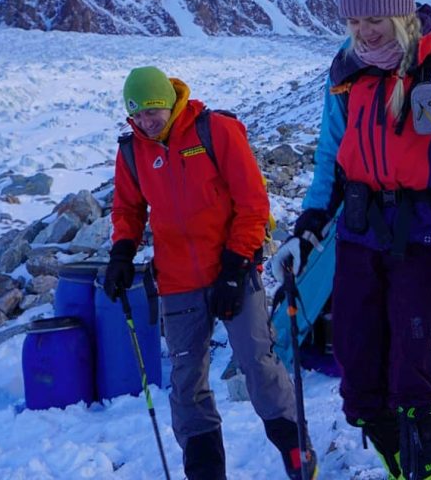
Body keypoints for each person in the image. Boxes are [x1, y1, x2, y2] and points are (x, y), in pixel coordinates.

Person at [272, 0, 431, 480]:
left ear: (399, 12)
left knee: (419, 385)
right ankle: (403, 469)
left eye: (375, 18)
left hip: (425, 239)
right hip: (359, 236)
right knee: (362, 385)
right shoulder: (346, 72)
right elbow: (330, 158)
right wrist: (306, 230)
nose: (366, 31)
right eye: (354, 20)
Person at [105, 66, 317, 480]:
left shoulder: (214, 131)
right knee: (186, 382)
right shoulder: (133, 151)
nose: (148, 123)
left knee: (257, 363)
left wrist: (236, 267)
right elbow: (128, 210)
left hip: (233, 271)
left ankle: (296, 451)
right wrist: (121, 252)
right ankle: (204, 472)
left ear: (171, 102)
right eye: (139, 116)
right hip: (177, 282)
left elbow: (254, 203)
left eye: (154, 112)